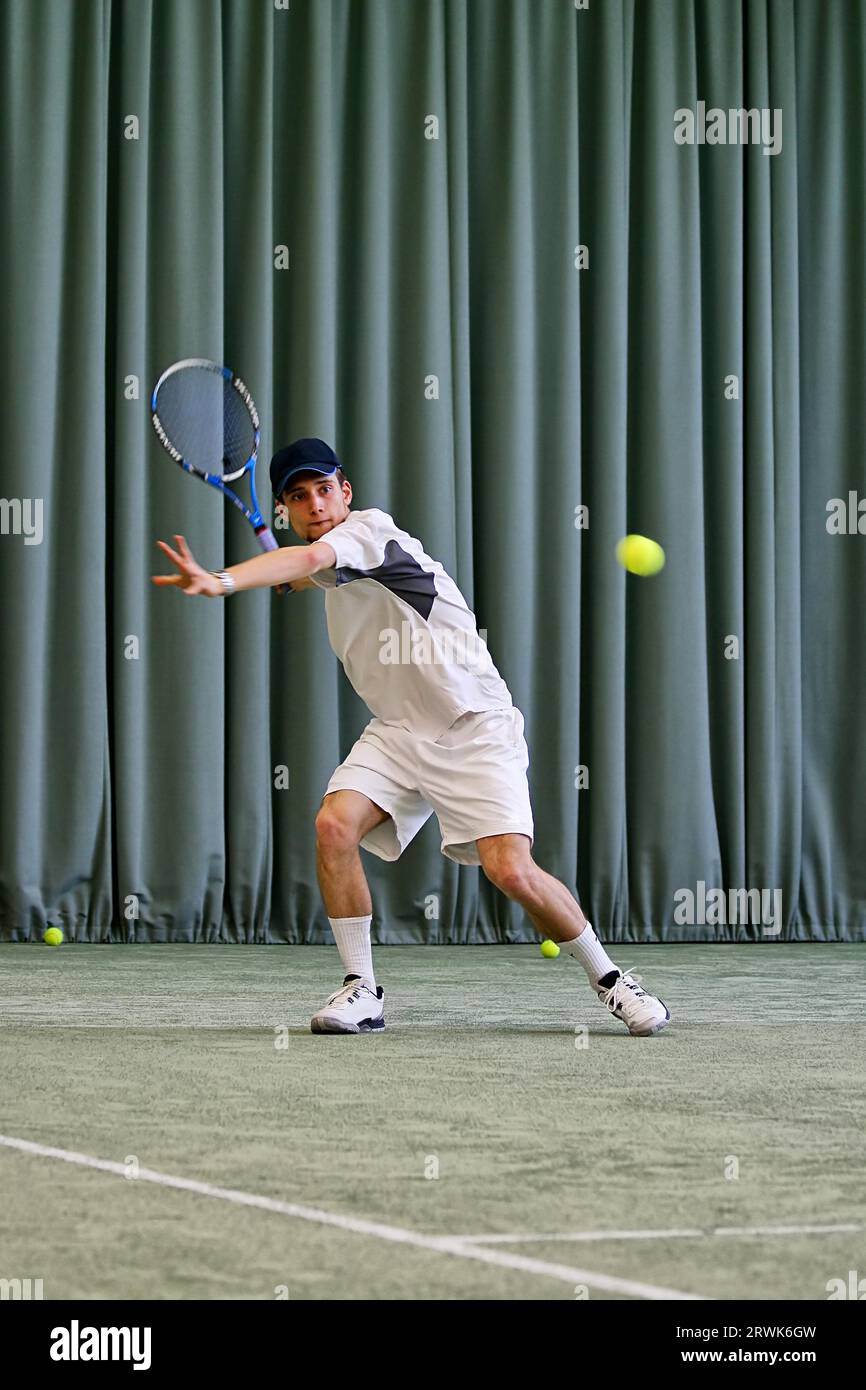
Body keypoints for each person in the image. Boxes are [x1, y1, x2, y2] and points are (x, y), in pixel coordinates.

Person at [153, 437, 670, 1038]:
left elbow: (301, 565)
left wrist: (222, 581)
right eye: (299, 496)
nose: (316, 503)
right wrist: (294, 574)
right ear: (285, 511)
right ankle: (361, 989)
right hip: (399, 731)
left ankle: (611, 980)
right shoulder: (333, 560)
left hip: (473, 724)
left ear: (346, 492)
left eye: (325, 489)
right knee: (332, 826)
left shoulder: (370, 532)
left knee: (510, 870)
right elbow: (305, 572)